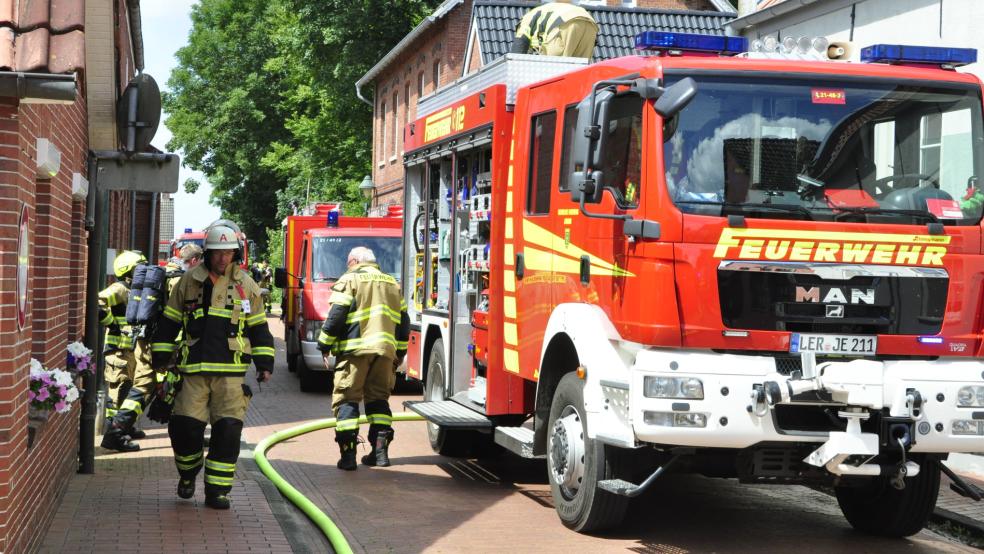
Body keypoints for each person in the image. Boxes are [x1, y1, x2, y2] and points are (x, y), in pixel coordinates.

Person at [151, 224, 275, 509]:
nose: (222, 258)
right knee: (184, 429)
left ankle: (217, 492)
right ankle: (187, 473)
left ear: (236, 253)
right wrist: (160, 357)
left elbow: (258, 328)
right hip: (192, 371)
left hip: (231, 375)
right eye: (218, 253)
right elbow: (169, 321)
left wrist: (265, 363)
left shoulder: (247, 286)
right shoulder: (188, 282)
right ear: (208, 253)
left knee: (228, 433)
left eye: (228, 253)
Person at [317, 247, 409, 470]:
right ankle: (380, 454)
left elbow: (337, 314)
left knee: (347, 400)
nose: (348, 266)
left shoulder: (350, 280)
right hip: (385, 353)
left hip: (354, 352)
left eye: (349, 262)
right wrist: (400, 353)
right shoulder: (392, 284)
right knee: (379, 399)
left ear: (356, 261)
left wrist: (324, 344)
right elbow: (404, 322)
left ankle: (348, 458)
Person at [98, 251, 154, 452]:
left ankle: (125, 427)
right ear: (128, 270)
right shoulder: (119, 289)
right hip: (118, 351)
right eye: (139, 268)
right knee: (118, 391)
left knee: (133, 388)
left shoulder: (137, 290)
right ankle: (113, 433)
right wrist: (111, 323)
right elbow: (98, 302)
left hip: (132, 350)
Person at [509, 0, 597, 59]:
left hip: (564, 22)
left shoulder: (525, 21)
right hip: (590, 22)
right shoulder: (539, 13)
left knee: (554, 69)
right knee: (580, 70)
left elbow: (516, 54)